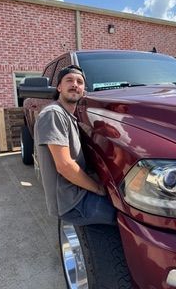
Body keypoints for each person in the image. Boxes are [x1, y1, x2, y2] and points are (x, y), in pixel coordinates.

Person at [34, 65, 116, 225]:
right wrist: (99, 188)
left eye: (79, 82)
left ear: (84, 90)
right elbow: (65, 165)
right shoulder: (53, 113)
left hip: (76, 191)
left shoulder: (68, 115)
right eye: (69, 80)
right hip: (71, 201)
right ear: (59, 87)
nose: (75, 85)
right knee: (122, 216)